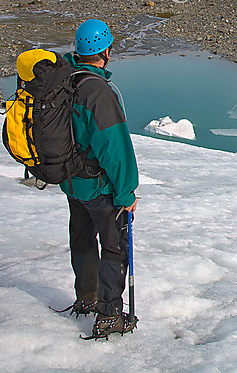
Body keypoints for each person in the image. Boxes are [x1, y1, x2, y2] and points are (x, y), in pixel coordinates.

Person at [60, 18, 139, 338]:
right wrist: (126, 193)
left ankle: (86, 298)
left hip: (71, 182)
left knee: (81, 238)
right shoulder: (99, 92)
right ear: (105, 50)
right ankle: (108, 314)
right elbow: (115, 148)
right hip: (98, 186)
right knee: (114, 247)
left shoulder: (66, 79)